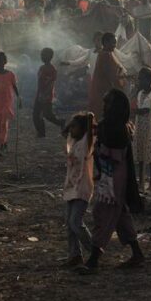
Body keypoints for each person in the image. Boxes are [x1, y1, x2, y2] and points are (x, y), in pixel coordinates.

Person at [79, 89, 145, 273]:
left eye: (107, 103)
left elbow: (114, 155)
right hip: (110, 177)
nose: (104, 106)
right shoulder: (110, 125)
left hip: (114, 178)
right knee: (120, 216)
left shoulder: (117, 128)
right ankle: (137, 253)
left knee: (104, 213)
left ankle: (93, 259)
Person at [61, 112, 95, 269]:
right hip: (71, 187)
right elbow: (65, 131)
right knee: (70, 223)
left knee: (75, 221)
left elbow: (89, 134)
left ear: (83, 129)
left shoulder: (86, 144)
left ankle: (94, 250)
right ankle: (75, 255)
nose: (71, 129)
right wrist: (71, 124)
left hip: (82, 187)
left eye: (75, 127)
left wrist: (89, 119)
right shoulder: (73, 142)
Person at [34, 48, 64, 139]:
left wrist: (45, 95)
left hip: (46, 95)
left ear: (50, 57)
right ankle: (41, 132)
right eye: (42, 55)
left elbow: (51, 84)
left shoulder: (52, 69)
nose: (42, 57)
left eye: (44, 55)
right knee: (36, 115)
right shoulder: (42, 68)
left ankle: (61, 122)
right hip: (39, 94)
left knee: (48, 115)